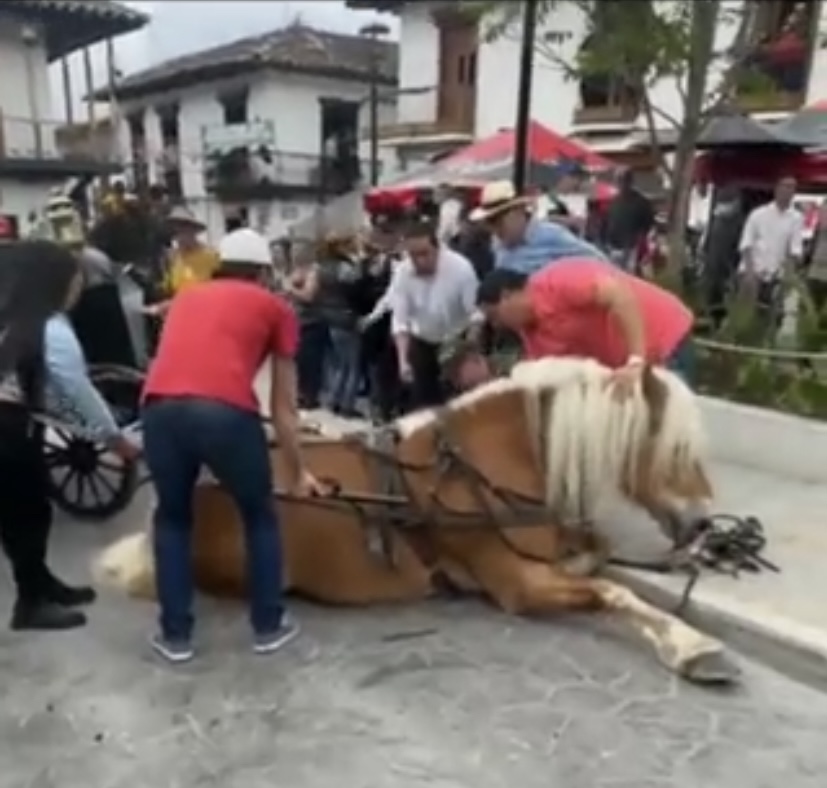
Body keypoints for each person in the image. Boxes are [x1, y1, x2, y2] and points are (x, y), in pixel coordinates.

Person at [140, 227, 323, 663]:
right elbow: (284, 409)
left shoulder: (187, 297)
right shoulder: (276, 308)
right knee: (258, 516)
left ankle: (176, 636)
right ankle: (267, 626)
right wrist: (299, 473)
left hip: (159, 408)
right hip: (224, 413)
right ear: (263, 273)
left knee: (172, 520)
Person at [0, 240, 139, 631]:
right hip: (6, 427)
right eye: (76, 279)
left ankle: (39, 582)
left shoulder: (12, 315)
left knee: (28, 508)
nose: (80, 288)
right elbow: (75, 390)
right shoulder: (48, 326)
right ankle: (29, 605)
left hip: (13, 421)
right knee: (24, 514)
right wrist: (114, 438)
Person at [477, 258, 695, 388]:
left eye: (495, 316)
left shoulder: (558, 280)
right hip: (621, 368)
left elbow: (619, 296)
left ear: (506, 296)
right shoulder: (531, 337)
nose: (497, 325)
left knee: (666, 437)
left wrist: (636, 360)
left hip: (664, 338)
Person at [390, 219, 481, 409]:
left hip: (456, 340)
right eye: (413, 255)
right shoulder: (403, 272)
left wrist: (470, 352)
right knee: (423, 405)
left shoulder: (461, 268)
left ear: (437, 247)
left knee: (457, 404)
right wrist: (403, 361)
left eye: (425, 254)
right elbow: (400, 321)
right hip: (423, 341)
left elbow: (476, 315)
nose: (420, 261)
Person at [470, 180, 606, 275]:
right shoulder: (498, 244)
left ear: (518, 212)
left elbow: (599, 262)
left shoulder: (552, 236)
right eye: (489, 223)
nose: (494, 230)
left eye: (497, 222)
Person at [739, 176, 804, 327]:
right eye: (784, 186)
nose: (787, 191)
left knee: (771, 320)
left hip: (776, 276)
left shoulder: (796, 218)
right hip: (752, 271)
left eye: (792, 188)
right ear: (776, 188)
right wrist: (750, 273)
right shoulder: (758, 214)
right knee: (745, 316)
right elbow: (746, 244)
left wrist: (789, 275)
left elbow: (795, 249)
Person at [144, 206, 220, 317]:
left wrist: (173, 304)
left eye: (183, 230)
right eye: (175, 232)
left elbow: (217, 293)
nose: (178, 236)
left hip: (205, 316)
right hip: (181, 317)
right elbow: (170, 290)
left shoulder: (212, 257)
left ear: (193, 231)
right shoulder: (173, 257)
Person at [603, 169, 654, 271]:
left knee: (629, 276)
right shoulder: (613, 201)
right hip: (613, 246)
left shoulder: (641, 202)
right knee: (615, 276)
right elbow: (607, 221)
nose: (622, 184)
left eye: (625, 180)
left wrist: (639, 240)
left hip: (631, 247)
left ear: (630, 182)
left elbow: (648, 224)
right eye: (619, 181)